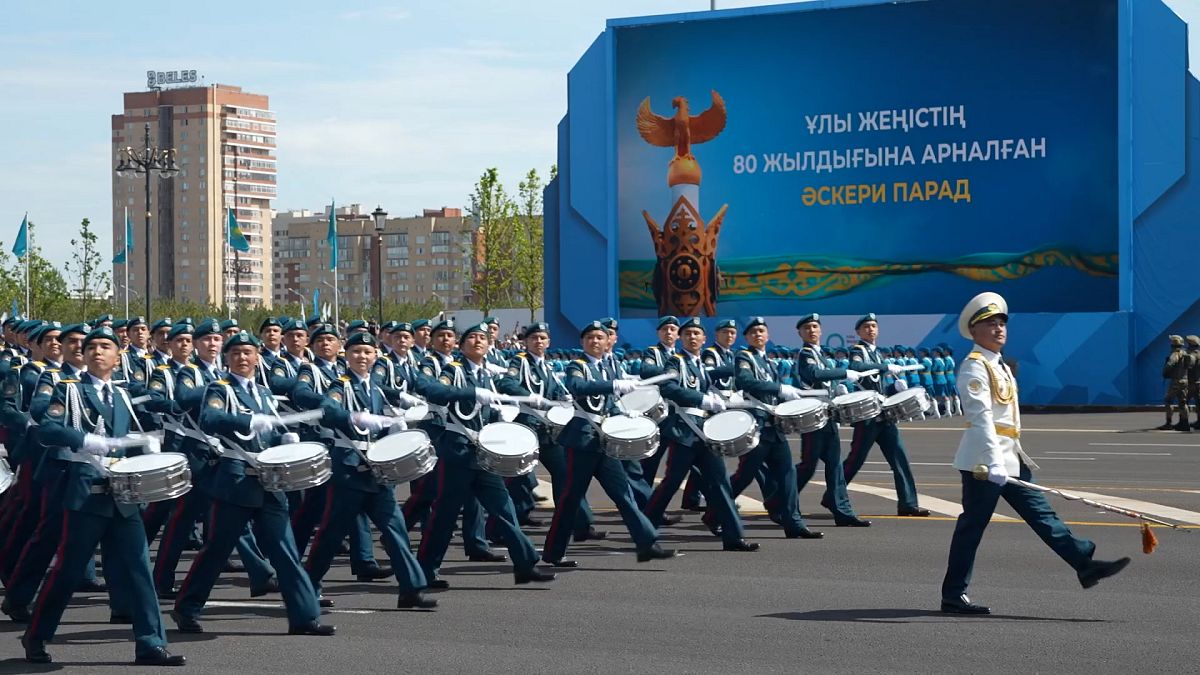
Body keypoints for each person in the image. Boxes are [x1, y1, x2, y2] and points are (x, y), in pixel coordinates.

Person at [940, 292, 1130, 614]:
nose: (999, 328)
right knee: (972, 528)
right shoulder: (974, 367)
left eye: (1001, 323)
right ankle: (953, 595)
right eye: (990, 323)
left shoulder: (998, 364)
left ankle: (1084, 564)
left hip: (1010, 458)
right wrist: (994, 461)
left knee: (1042, 515)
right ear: (973, 331)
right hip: (984, 463)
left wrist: (1007, 459)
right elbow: (981, 418)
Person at [22, 326, 186, 665]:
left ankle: (150, 643)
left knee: (139, 570)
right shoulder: (69, 389)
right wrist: (83, 439)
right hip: (87, 495)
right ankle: (36, 634)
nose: (97, 351)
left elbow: (130, 436)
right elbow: (47, 429)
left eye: (105, 346)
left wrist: (147, 446)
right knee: (68, 571)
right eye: (91, 347)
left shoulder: (122, 395)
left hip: (123, 495)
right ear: (84, 355)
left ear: (117, 356)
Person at [171, 331, 335, 636]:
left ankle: (304, 617)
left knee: (285, 551)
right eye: (235, 353)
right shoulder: (220, 389)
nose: (242, 358)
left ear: (257, 357)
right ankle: (187, 607)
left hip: (269, 480)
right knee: (217, 550)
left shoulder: (263, 393)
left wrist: (284, 438)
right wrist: (246, 421)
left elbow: (272, 430)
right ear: (227, 358)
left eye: (247, 353)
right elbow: (210, 418)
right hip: (236, 480)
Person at [414, 322, 556, 586]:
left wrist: (508, 412)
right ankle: (424, 572)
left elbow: (493, 407)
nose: (478, 341)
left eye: (483, 338)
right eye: (472, 337)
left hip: (482, 455)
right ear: (461, 345)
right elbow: (431, 389)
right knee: (444, 516)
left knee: (505, 510)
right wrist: (472, 392)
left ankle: (525, 564)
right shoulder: (453, 370)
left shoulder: (487, 376)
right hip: (457, 453)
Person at [306, 331, 436, 610]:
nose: (362, 357)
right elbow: (328, 410)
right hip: (349, 469)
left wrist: (397, 423)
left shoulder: (375, 387)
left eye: (367, 352)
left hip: (376, 469)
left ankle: (411, 589)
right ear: (346, 355)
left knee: (396, 529)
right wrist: (353, 417)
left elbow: (385, 416)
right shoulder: (340, 385)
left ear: (375, 356)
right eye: (356, 352)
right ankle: (307, 588)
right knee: (330, 534)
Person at [541, 321, 676, 567]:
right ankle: (553, 552)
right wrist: (613, 385)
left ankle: (646, 543)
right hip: (582, 441)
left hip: (604, 440)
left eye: (599, 337)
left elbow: (609, 404)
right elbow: (577, 386)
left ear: (607, 342)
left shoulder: (607, 368)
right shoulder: (577, 366)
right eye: (590, 337)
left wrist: (624, 412)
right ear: (582, 342)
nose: (595, 341)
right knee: (571, 499)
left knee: (623, 495)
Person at [646, 317, 757, 551]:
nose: (692, 337)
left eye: (696, 333)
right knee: (671, 483)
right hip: (684, 431)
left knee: (720, 482)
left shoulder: (699, 365)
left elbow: (712, 382)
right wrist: (702, 399)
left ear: (704, 339)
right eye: (687, 334)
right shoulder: (676, 362)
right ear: (681, 338)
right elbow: (669, 387)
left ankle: (733, 537)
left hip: (704, 432)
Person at [840, 313, 930, 517]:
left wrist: (894, 388)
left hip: (884, 414)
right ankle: (833, 495)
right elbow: (857, 368)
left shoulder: (877, 353)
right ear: (858, 332)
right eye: (866, 327)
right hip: (868, 416)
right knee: (855, 460)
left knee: (899, 457)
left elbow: (879, 386)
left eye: (873, 326)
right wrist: (885, 367)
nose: (870, 329)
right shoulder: (858, 350)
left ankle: (908, 503)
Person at [792, 314, 872, 527]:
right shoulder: (805, 354)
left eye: (814, 327)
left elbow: (826, 381)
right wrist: (843, 373)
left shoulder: (822, 355)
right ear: (800, 333)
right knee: (808, 466)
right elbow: (814, 374)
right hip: (813, 417)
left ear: (820, 330)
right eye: (807, 328)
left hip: (827, 415)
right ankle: (779, 501)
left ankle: (843, 512)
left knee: (835, 465)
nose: (811, 330)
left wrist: (839, 389)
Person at [1160, 335, 1191, 431]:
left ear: (1173, 343)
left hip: (1176, 381)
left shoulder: (1175, 354)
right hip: (1185, 380)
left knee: (1168, 401)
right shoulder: (1185, 353)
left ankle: (1168, 423)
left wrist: (1165, 372)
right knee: (1183, 402)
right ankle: (1185, 423)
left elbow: (1170, 364)